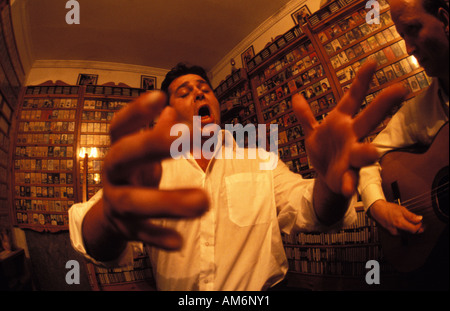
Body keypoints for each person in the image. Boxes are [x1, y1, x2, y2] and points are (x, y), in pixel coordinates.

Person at [69, 61, 407, 291]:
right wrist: (114, 212)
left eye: (204, 88)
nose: (199, 93)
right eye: (184, 92)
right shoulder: (148, 170)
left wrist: (330, 182)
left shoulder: (259, 159)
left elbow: (309, 209)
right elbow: (95, 243)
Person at [358, 0, 449, 289]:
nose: (408, 48)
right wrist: (378, 205)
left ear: (445, 19)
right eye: (402, 36)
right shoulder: (417, 112)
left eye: (413, 29)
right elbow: (368, 159)